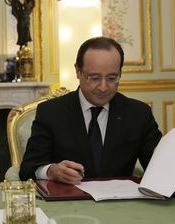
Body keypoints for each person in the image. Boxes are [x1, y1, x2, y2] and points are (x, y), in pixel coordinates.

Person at [19, 36, 162, 185]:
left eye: (112, 78)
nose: (103, 87)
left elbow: (160, 168)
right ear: (78, 71)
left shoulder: (138, 114)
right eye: (94, 78)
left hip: (121, 204)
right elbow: (28, 168)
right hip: (68, 203)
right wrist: (51, 171)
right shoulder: (51, 112)